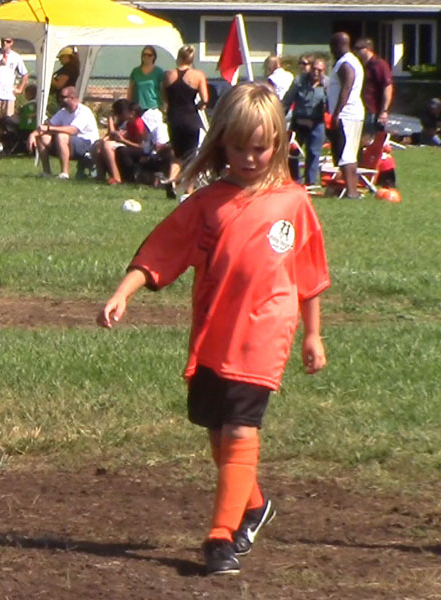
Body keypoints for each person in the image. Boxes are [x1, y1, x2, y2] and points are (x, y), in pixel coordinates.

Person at [98, 82, 329, 576]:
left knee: (241, 428)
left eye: (260, 147)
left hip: (265, 334)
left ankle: (220, 537)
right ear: (221, 142)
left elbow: (309, 275)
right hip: (214, 336)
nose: (249, 157)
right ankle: (254, 505)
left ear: (278, 143)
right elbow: (163, 249)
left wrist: (312, 335)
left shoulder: (293, 203)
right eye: (238, 146)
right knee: (218, 432)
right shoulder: (208, 204)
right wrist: (123, 292)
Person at [27, 85, 98, 179]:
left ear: (73, 98)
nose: (60, 99)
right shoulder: (63, 112)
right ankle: (47, 172)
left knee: (61, 136)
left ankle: (64, 173)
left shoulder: (83, 111)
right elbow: (47, 125)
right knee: (43, 137)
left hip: (87, 145)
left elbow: (73, 130)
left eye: (63, 97)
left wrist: (49, 129)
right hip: (67, 143)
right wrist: (33, 135)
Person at [162, 45, 209, 186]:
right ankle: (189, 188)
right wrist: (198, 106)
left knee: (177, 154)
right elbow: (205, 99)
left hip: (174, 118)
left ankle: (171, 180)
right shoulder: (198, 75)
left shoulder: (168, 75)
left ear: (179, 57)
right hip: (190, 117)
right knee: (191, 155)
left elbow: (164, 98)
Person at [327, 32, 365, 199]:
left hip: (347, 114)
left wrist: (337, 113)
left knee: (346, 153)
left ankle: (351, 192)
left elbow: (346, 87)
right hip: (351, 113)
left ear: (337, 46)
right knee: (346, 152)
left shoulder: (345, 63)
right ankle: (350, 189)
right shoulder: (352, 61)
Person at [283, 57, 328, 185]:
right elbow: (287, 100)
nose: (316, 72)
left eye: (319, 70)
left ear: (324, 71)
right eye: (314, 69)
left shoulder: (327, 84)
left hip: (317, 122)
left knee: (313, 152)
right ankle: (294, 180)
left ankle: (310, 182)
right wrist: (280, 117)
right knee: (292, 151)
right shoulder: (299, 81)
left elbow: (331, 105)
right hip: (299, 121)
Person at [92, 98, 144, 184]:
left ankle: (116, 177)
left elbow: (141, 145)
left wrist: (122, 139)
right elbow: (114, 134)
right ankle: (100, 175)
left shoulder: (136, 123)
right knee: (98, 145)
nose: (118, 116)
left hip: (134, 147)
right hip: (126, 144)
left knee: (107, 146)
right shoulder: (128, 123)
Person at [353, 38, 394, 136]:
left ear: (367, 49)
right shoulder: (361, 66)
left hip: (373, 110)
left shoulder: (379, 64)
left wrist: (384, 111)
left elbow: (388, 87)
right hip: (361, 109)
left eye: (358, 49)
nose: (356, 52)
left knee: (370, 139)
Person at [128, 45, 165, 111]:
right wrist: (129, 105)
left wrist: (164, 105)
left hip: (153, 107)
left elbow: (163, 90)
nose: (146, 57)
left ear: (154, 57)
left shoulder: (159, 72)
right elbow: (130, 89)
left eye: (149, 55)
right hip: (138, 107)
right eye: (144, 55)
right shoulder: (135, 71)